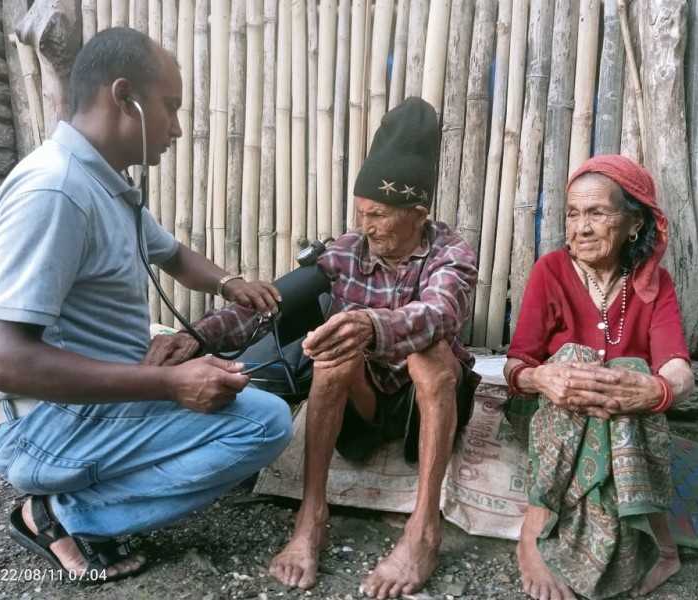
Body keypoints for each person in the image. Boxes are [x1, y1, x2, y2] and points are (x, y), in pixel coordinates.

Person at [0, 27, 292, 583]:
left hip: (78, 409)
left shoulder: (104, 186)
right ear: (124, 98)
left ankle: (80, 497)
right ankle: (58, 514)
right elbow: (2, 362)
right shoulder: (56, 192)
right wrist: (170, 384)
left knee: (242, 404)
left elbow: (171, 255)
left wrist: (229, 283)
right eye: (169, 108)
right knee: (260, 424)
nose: (175, 128)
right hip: (41, 425)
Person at [146, 96, 482, 599]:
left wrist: (371, 324)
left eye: (379, 216)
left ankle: (423, 529)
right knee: (332, 349)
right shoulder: (346, 251)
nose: (365, 226)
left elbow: (441, 314)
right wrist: (195, 338)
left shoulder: (451, 253)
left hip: (423, 412)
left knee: (431, 353)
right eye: (361, 212)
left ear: (418, 213)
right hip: (363, 411)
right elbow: (265, 305)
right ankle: (311, 517)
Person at [502, 154, 695, 600]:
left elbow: (677, 367)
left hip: (624, 418)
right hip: (550, 413)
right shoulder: (550, 270)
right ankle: (532, 534)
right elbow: (516, 365)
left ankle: (662, 548)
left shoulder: (654, 283)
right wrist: (544, 378)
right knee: (575, 360)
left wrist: (657, 388)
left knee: (628, 376)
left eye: (597, 213)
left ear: (633, 224)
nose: (581, 228)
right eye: (573, 214)